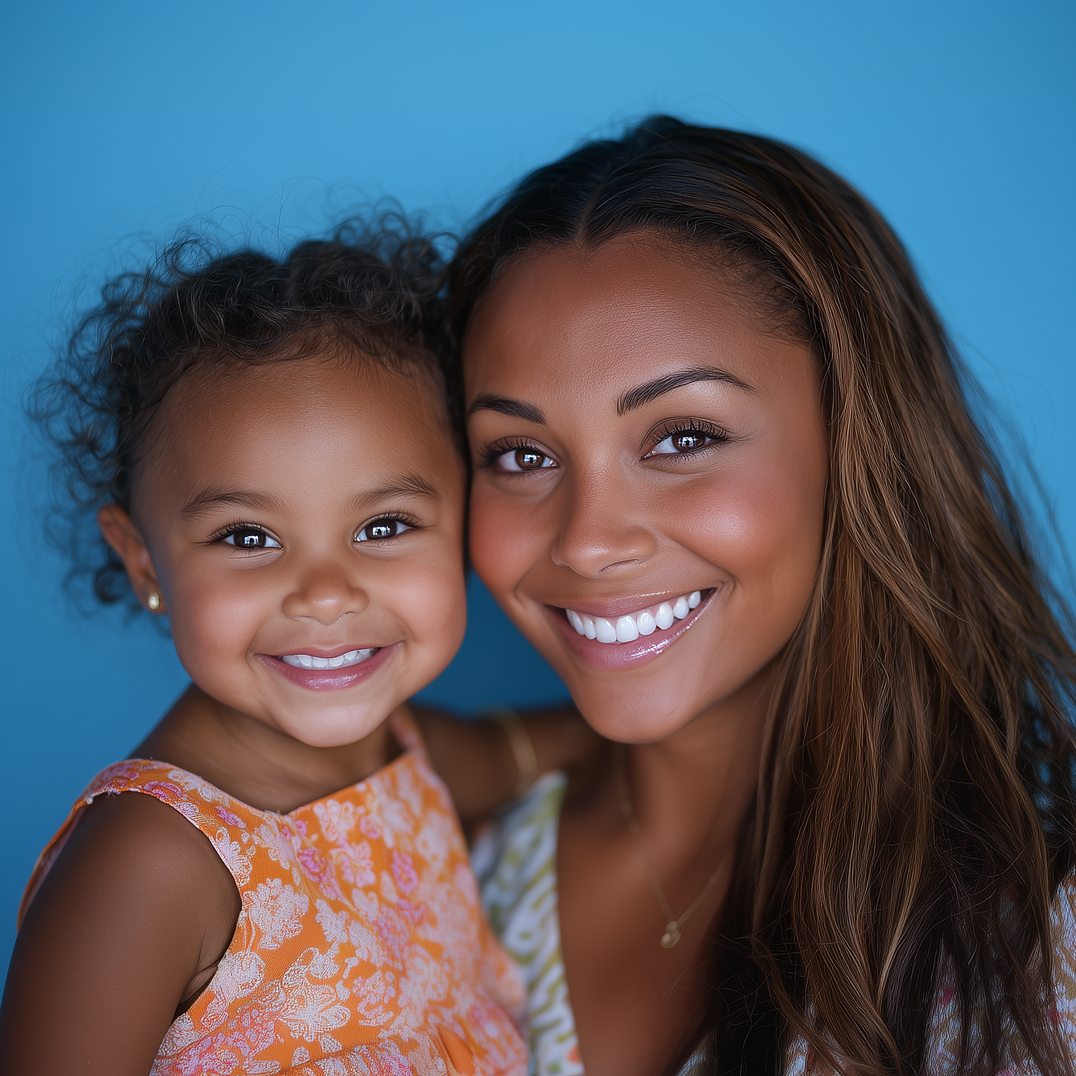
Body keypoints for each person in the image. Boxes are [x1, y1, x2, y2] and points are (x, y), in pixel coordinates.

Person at [448, 118, 1076, 1076]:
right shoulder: (446, 876)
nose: (588, 539)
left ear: (856, 439)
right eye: (521, 455)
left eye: (683, 437)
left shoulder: (1039, 935)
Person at [0, 223, 588, 1075]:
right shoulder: (150, 862)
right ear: (142, 561)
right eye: (246, 537)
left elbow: (528, 748)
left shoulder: (409, 754)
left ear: (465, 527)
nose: (323, 593)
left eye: (384, 526)